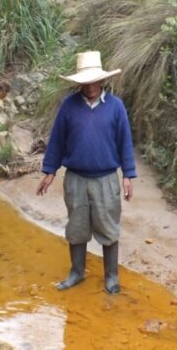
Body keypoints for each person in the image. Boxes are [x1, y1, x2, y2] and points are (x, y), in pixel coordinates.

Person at [37, 51, 136, 295]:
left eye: (94, 81)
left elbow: (125, 142)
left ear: (102, 80)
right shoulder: (69, 107)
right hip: (75, 179)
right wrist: (49, 172)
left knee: (109, 228)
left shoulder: (115, 107)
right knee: (77, 227)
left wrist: (128, 175)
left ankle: (111, 277)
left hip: (106, 179)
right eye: (85, 82)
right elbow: (57, 141)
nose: (90, 86)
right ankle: (76, 273)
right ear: (79, 83)